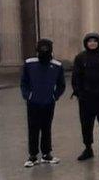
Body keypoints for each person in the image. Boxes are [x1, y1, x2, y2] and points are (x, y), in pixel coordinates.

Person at [20, 38, 66, 167]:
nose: (44, 51)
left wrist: (54, 96)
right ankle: (33, 155)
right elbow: (24, 82)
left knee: (46, 128)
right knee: (33, 128)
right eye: (42, 48)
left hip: (48, 102)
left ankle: (46, 154)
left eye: (46, 48)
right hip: (33, 102)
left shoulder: (57, 65)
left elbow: (61, 84)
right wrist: (28, 95)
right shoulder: (29, 63)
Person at [71, 32, 99, 160]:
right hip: (86, 98)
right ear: (86, 43)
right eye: (90, 41)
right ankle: (88, 148)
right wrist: (79, 91)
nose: (92, 43)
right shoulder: (80, 58)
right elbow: (76, 77)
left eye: (95, 41)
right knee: (86, 124)